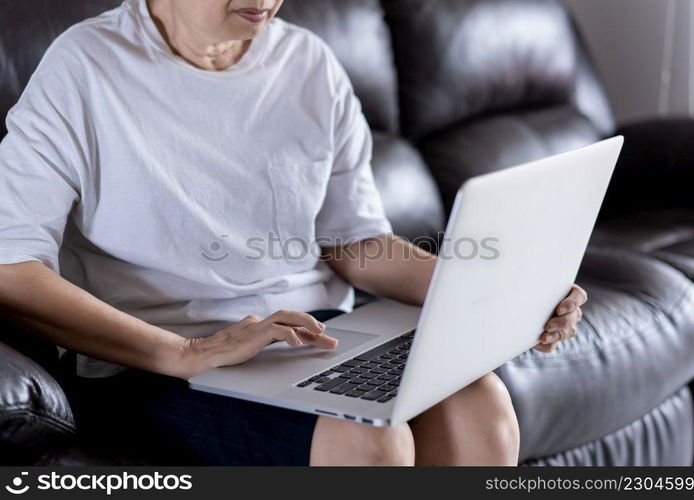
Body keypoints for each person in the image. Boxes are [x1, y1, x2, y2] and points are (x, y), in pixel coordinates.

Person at [0, 0, 587, 466]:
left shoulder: (309, 62)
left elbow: (354, 242)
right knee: (369, 440)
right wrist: (189, 352)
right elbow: (12, 268)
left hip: (307, 334)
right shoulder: (85, 66)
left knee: (480, 406)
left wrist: (502, 291)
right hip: (156, 356)